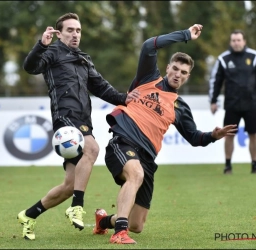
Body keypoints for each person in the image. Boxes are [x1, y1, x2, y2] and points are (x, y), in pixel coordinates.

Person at [92, 24, 238, 244]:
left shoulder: (180, 106)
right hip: (123, 142)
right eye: (176, 69)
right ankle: (119, 234)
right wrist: (186, 35)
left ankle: (104, 222)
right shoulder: (148, 77)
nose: (178, 74)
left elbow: (194, 137)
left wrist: (213, 135)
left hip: (147, 157)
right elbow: (149, 45)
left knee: (137, 224)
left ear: (188, 77)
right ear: (168, 67)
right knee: (135, 174)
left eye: (184, 72)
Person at [16, 12, 139, 240]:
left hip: (83, 120)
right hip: (65, 117)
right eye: (70, 30)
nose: (75, 34)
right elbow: (30, 67)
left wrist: (125, 99)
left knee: (69, 185)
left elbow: (101, 87)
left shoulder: (84, 58)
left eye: (78, 30)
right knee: (92, 149)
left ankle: (29, 215)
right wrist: (41, 46)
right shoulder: (51, 52)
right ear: (59, 33)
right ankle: (77, 205)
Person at [209, 30, 256, 174]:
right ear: (230, 42)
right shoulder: (223, 59)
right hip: (232, 104)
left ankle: (254, 164)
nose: (236, 43)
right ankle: (228, 165)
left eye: (239, 40)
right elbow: (216, 81)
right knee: (228, 135)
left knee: (254, 135)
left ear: (244, 41)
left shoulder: (253, 56)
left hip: (252, 104)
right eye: (234, 40)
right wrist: (213, 100)